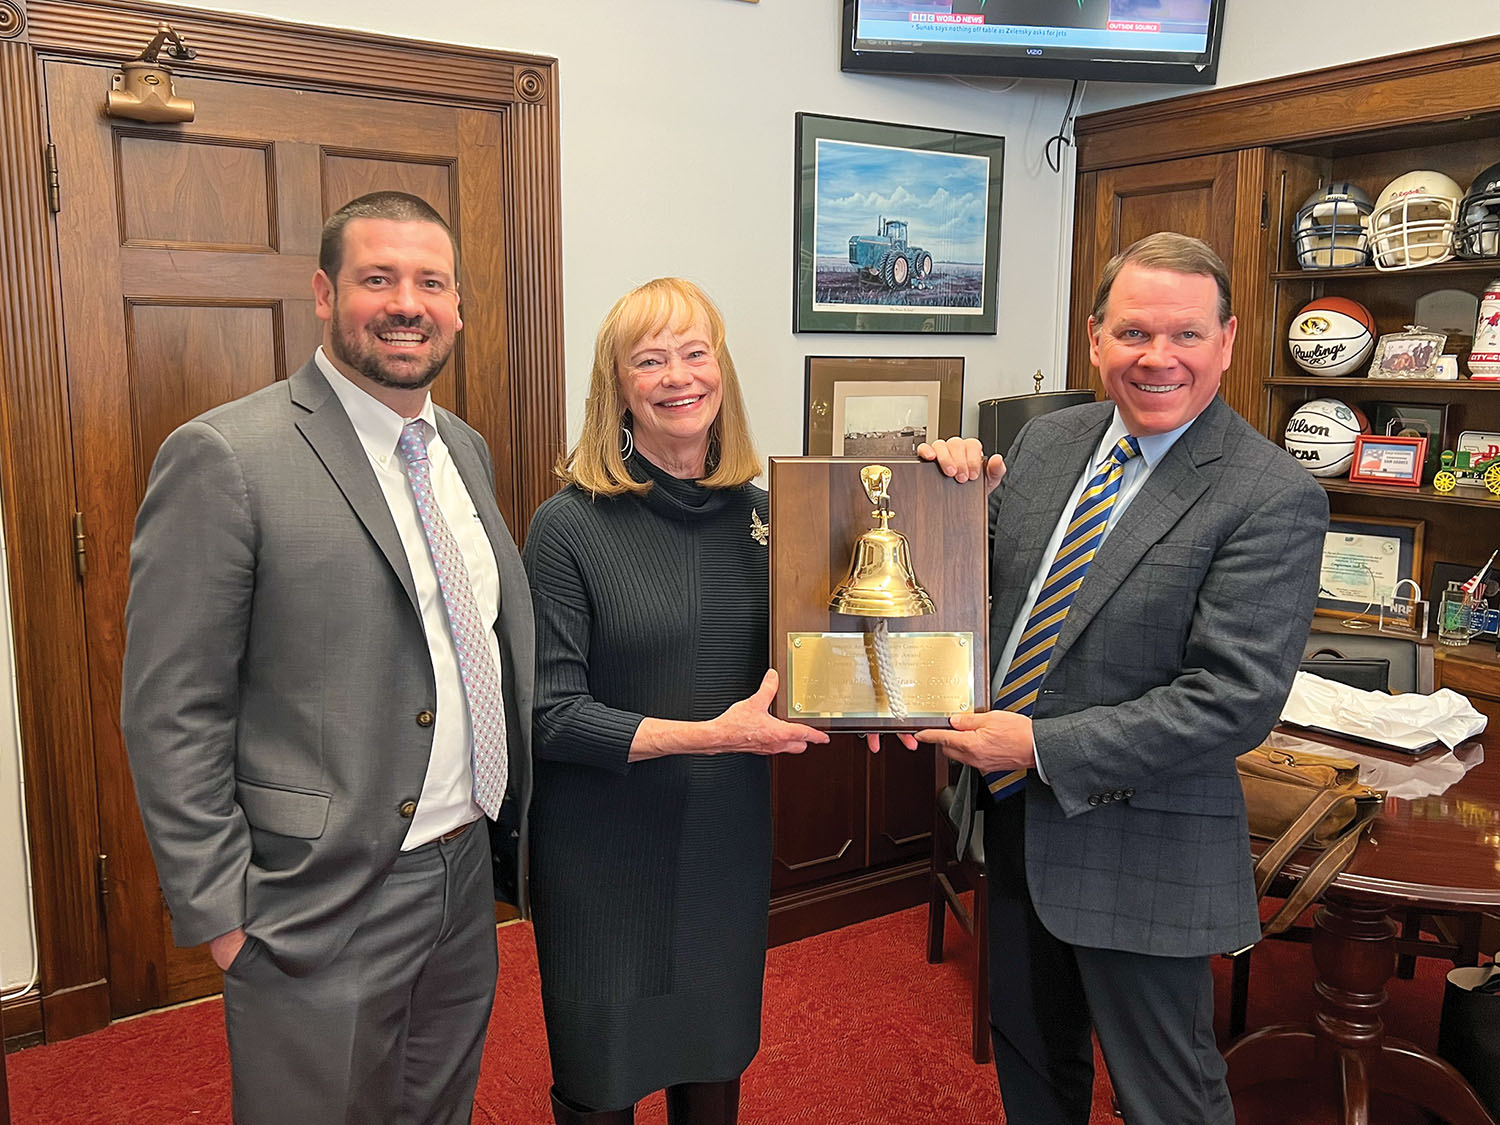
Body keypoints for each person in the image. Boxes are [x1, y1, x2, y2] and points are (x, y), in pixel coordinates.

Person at [120, 191, 533, 1125]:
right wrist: (223, 916)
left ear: (458, 306)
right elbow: (169, 707)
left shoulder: (462, 449)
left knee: (439, 1110)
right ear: (322, 292)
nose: (407, 303)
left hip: (462, 874)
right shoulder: (226, 455)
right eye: (377, 278)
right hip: (316, 896)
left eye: (431, 282)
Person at [920, 232, 1328, 1123]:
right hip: (1012, 818)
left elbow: (1231, 700)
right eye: (1134, 331)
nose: (1158, 357)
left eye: (1185, 334)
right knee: (1033, 1071)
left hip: (1143, 846)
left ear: (1226, 342)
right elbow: (982, 594)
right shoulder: (1041, 444)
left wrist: (1039, 745)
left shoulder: (1271, 494)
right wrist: (944, 501)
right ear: (1096, 336)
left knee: (1167, 1098)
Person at [523, 277, 828, 1125]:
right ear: (616, 385)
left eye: (696, 353)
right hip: (602, 857)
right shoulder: (569, 526)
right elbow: (550, 713)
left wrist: (943, 485)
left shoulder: (771, 519)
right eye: (649, 358)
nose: (677, 375)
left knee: (713, 1059)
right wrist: (706, 734)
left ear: (721, 372)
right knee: (601, 1075)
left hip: (722, 845)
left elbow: (839, 648)